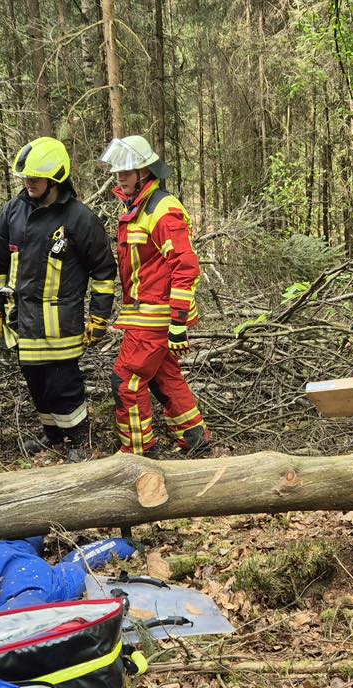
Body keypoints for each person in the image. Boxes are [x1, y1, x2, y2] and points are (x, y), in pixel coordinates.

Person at [0, 137, 118, 459]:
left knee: (64, 384)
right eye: (26, 178)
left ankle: (79, 440)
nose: (28, 183)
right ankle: (53, 435)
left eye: (35, 178)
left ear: (56, 178)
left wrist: (98, 318)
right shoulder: (12, 212)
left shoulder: (80, 219)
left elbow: (103, 272)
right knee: (36, 383)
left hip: (60, 321)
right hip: (21, 320)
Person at [98, 135, 212, 456]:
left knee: (126, 382)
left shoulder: (162, 208)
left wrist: (177, 322)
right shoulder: (137, 207)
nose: (120, 176)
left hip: (156, 316)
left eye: (127, 171)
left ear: (145, 171)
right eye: (118, 171)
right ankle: (196, 440)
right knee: (166, 378)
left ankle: (137, 453)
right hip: (145, 314)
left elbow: (185, 266)